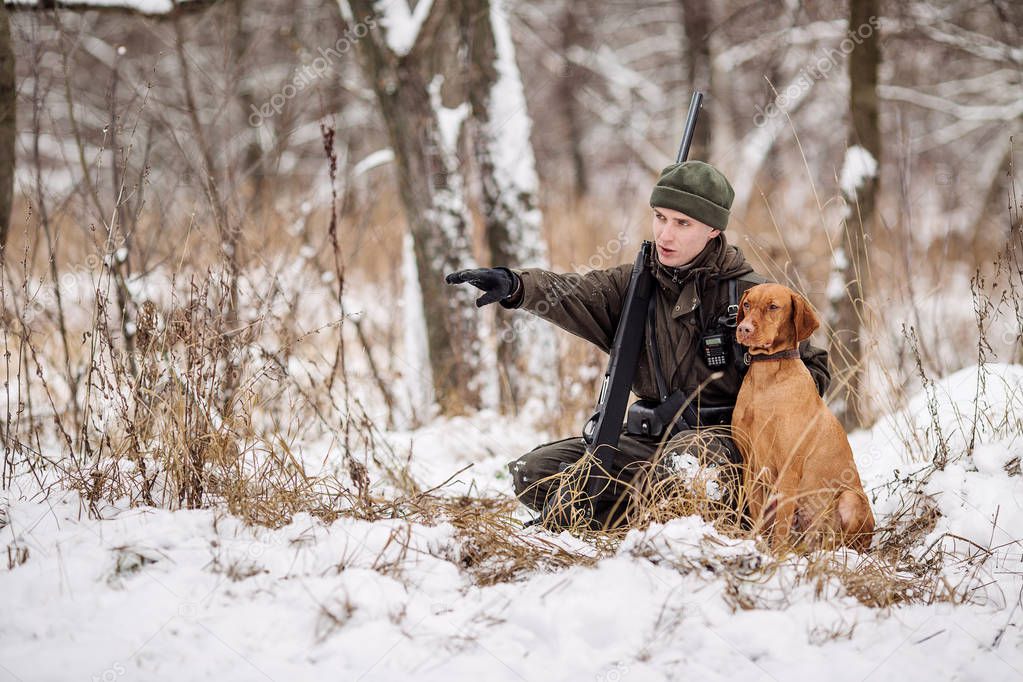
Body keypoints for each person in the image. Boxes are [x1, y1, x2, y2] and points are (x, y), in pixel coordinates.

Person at [446, 161, 830, 528]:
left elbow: (813, 369)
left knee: (685, 468)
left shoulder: (751, 296)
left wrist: (767, 416)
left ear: (713, 229)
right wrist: (515, 285)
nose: (665, 234)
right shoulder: (634, 288)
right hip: (651, 439)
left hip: (725, 449)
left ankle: (710, 519)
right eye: (660, 217)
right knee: (534, 474)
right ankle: (643, 520)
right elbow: (573, 293)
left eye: (683, 223)